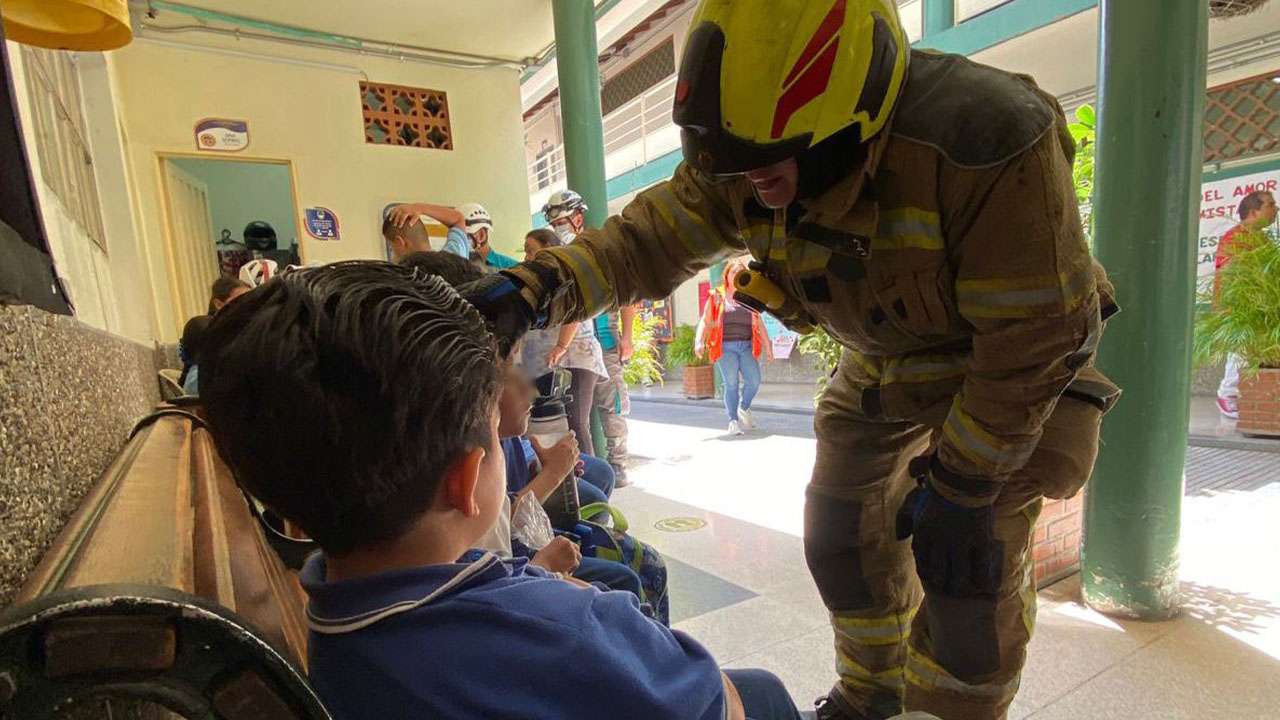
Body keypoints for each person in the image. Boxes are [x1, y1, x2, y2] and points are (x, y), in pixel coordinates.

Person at [461, 2, 1121, 718]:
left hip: (1012, 377)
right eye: (734, 171)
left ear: (853, 116)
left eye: (767, 168)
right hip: (880, 369)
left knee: (967, 577)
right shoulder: (748, 156)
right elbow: (643, 243)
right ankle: (870, 700)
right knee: (840, 534)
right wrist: (537, 288)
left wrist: (964, 486)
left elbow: (1034, 340)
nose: (749, 188)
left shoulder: (989, 138)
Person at [196, 260, 804, 720]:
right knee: (766, 693)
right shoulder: (560, 628)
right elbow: (713, 702)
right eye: (493, 425)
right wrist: (573, 601)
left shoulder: (330, 607)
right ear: (466, 480)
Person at [400, 250, 615, 505]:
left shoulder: (488, 420)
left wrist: (540, 464)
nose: (528, 388)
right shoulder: (462, 441)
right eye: (509, 365)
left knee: (601, 474)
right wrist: (552, 474)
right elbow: (499, 524)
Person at [544, 190, 634, 486]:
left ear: (577, 218)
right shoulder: (564, 253)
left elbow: (627, 297)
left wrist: (628, 337)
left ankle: (618, 463)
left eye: (561, 221)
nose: (558, 227)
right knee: (580, 413)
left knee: (613, 406)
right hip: (581, 347)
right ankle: (596, 470)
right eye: (553, 222)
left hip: (607, 342)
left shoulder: (602, 250)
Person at [520, 228, 608, 455]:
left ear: (549, 249)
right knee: (560, 424)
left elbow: (576, 312)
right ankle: (572, 479)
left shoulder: (566, 275)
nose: (527, 257)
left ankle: (591, 479)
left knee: (577, 422)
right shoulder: (538, 281)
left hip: (576, 357)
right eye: (525, 252)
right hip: (552, 360)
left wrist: (561, 347)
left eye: (531, 251)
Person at [1213, 189, 1277, 418]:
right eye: (1270, 205)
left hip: (1262, 306)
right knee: (1241, 350)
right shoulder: (1234, 238)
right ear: (1252, 212)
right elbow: (1231, 274)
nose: (1275, 210)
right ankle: (1227, 394)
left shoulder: (1263, 239)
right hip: (1240, 307)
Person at [697, 262, 773, 435]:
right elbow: (705, 320)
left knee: (754, 381)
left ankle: (743, 407)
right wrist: (699, 341)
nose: (737, 274)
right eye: (734, 272)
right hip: (725, 347)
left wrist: (768, 348)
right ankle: (733, 421)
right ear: (727, 276)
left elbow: (759, 323)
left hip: (746, 345)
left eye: (740, 272)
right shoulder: (717, 297)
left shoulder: (749, 296)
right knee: (731, 383)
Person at [388, 201, 518, 269]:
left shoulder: (510, 267)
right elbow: (457, 220)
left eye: (466, 235)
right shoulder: (452, 260)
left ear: (481, 235)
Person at [383, 202, 471, 260]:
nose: (394, 256)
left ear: (400, 243)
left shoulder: (406, 282)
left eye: (392, 247)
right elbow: (458, 219)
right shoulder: (454, 257)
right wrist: (420, 208)